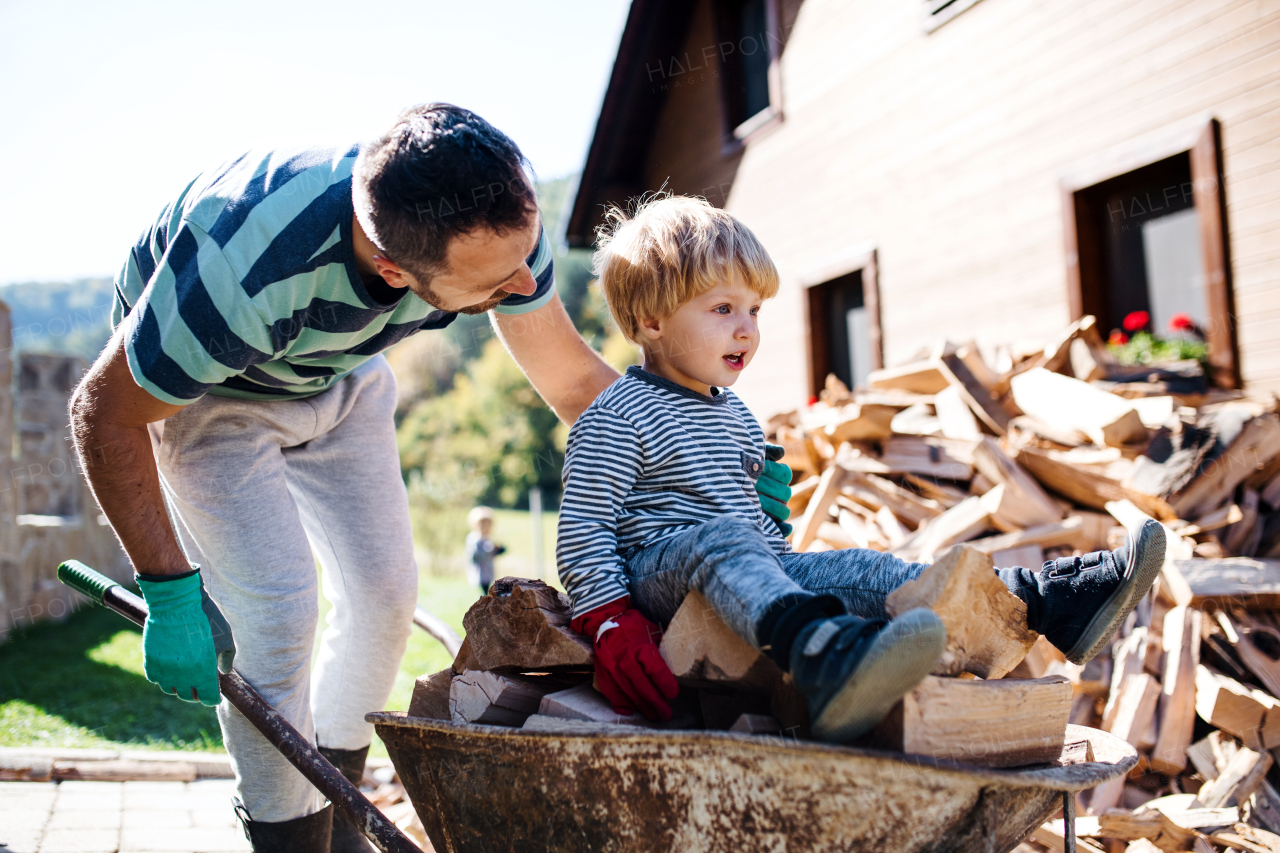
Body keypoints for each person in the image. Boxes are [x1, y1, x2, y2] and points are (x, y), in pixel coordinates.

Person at [69, 105, 792, 853]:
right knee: (278, 618)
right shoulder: (233, 273)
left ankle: (340, 821)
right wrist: (168, 592)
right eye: (492, 283)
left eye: (523, 256)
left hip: (341, 375)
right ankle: (286, 841)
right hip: (214, 393)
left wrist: (711, 469)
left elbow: (575, 386)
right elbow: (102, 412)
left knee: (384, 596)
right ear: (393, 271)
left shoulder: (496, 222)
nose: (521, 281)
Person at [556, 195, 1166, 741]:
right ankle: (826, 662)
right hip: (660, 576)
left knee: (865, 568)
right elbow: (583, 528)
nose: (748, 329)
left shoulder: (737, 417)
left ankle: (1044, 601)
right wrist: (610, 621)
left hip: (737, 570)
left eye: (756, 310)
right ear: (651, 322)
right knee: (727, 539)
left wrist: (771, 534)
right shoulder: (617, 415)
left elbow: (762, 544)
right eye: (723, 309)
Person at [465, 506, 505, 595]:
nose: (486, 528)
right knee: (482, 592)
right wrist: (490, 551)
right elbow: (475, 555)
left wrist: (498, 550)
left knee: (489, 591)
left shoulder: (488, 538)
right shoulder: (474, 539)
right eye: (483, 525)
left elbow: (493, 552)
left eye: (488, 525)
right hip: (479, 572)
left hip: (488, 571)